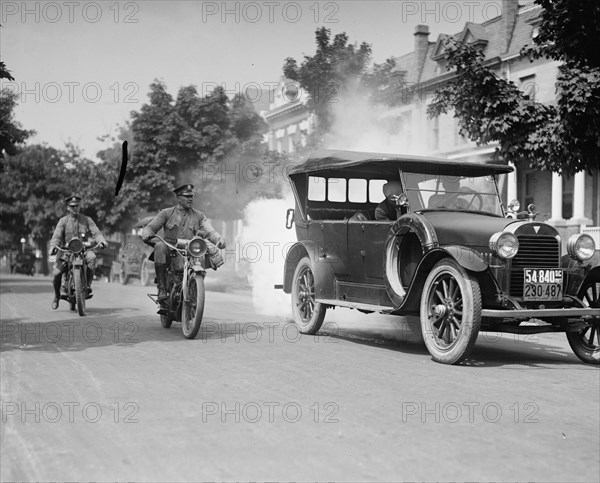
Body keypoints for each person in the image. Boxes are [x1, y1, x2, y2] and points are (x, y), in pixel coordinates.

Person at [142, 183, 226, 305]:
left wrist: (219, 239)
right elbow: (150, 228)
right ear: (178, 198)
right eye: (187, 196)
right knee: (160, 246)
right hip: (170, 251)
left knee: (202, 253)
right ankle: (162, 288)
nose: (190, 199)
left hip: (190, 251)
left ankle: (195, 288)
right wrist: (147, 232)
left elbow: (210, 231)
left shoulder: (199, 215)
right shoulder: (166, 213)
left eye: (191, 196)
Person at [49, 195, 107, 310]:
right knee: (56, 274)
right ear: (68, 207)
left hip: (83, 251)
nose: (75, 208)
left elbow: (96, 233)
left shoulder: (87, 220)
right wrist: (53, 246)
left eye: (77, 206)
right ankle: (57, 296)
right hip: (67, 252)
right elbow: (56, 236)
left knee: (92, 258)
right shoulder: (63, 221)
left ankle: (88, 284)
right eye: (72, 206)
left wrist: (101, 241)